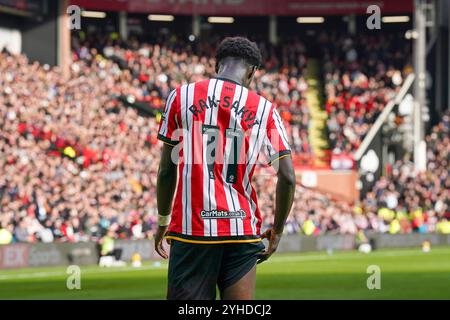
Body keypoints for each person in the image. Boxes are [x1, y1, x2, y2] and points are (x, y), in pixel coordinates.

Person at [154, 37, 296, 300]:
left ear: (218, 65)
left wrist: (163, 220)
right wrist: (277, 230)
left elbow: (166, 170)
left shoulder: (181, 96)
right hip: (241, 229)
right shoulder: (265, 110)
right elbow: (287, 176)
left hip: (192, 229)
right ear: (252, 71)